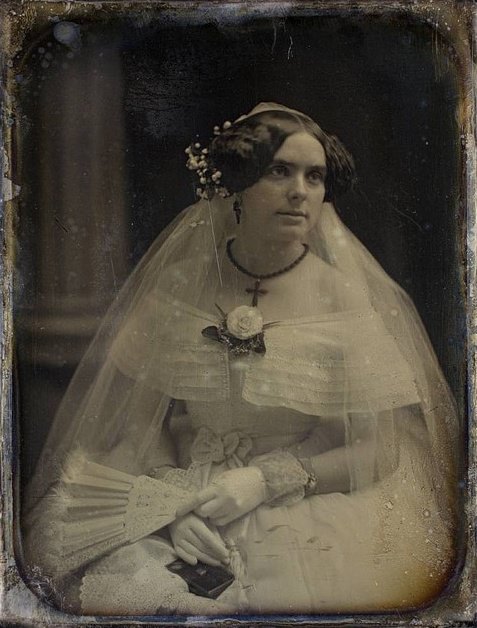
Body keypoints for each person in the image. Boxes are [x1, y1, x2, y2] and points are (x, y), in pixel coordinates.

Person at [22, 103, 459, 615]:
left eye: (314, 176)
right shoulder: (181, 282)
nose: (300, 191)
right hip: (186, 496)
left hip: (305, 506)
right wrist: (167, 510)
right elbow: (138, 426)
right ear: (237, 185)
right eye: (279, 171)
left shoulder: (342, 295)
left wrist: (263, 480)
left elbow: (376, 450)